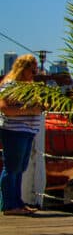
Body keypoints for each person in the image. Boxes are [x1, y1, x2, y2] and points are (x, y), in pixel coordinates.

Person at [0, 54, 43, 216]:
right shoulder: (10, 85)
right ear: (23, 69)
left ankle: (17, 202)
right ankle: (9, 205)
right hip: (14, 131)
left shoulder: (30, 87)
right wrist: (30, 110)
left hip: (27, 131)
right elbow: (4, 108)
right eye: (32, 69)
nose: (35, 72)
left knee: (20, 168)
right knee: (12, 168)